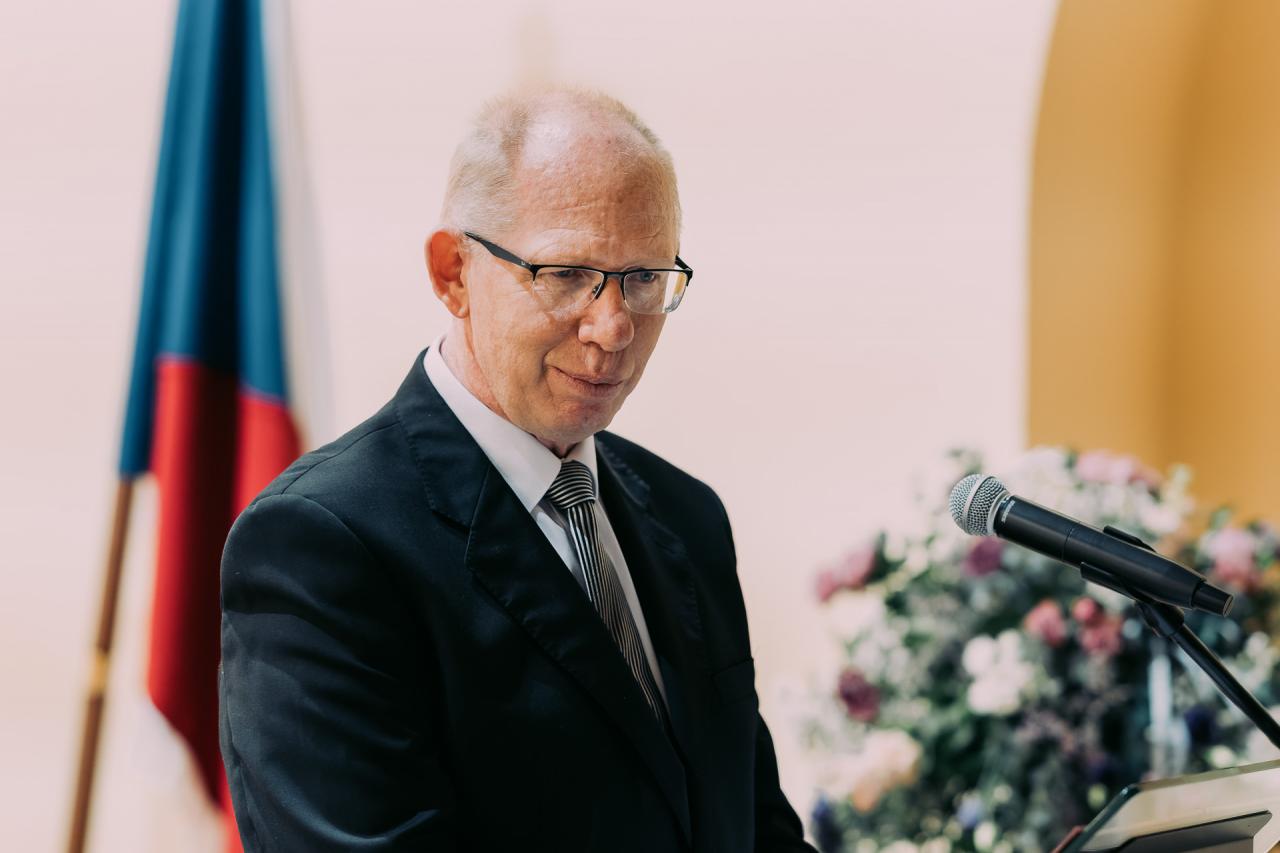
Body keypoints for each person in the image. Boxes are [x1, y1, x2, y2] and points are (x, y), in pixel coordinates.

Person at [219, 86, 818, 852]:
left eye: (643, 278)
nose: (613, 328)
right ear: (453, 273)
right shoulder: (320, 546)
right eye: (566, 273)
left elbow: (756, 831)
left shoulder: (687, 513)